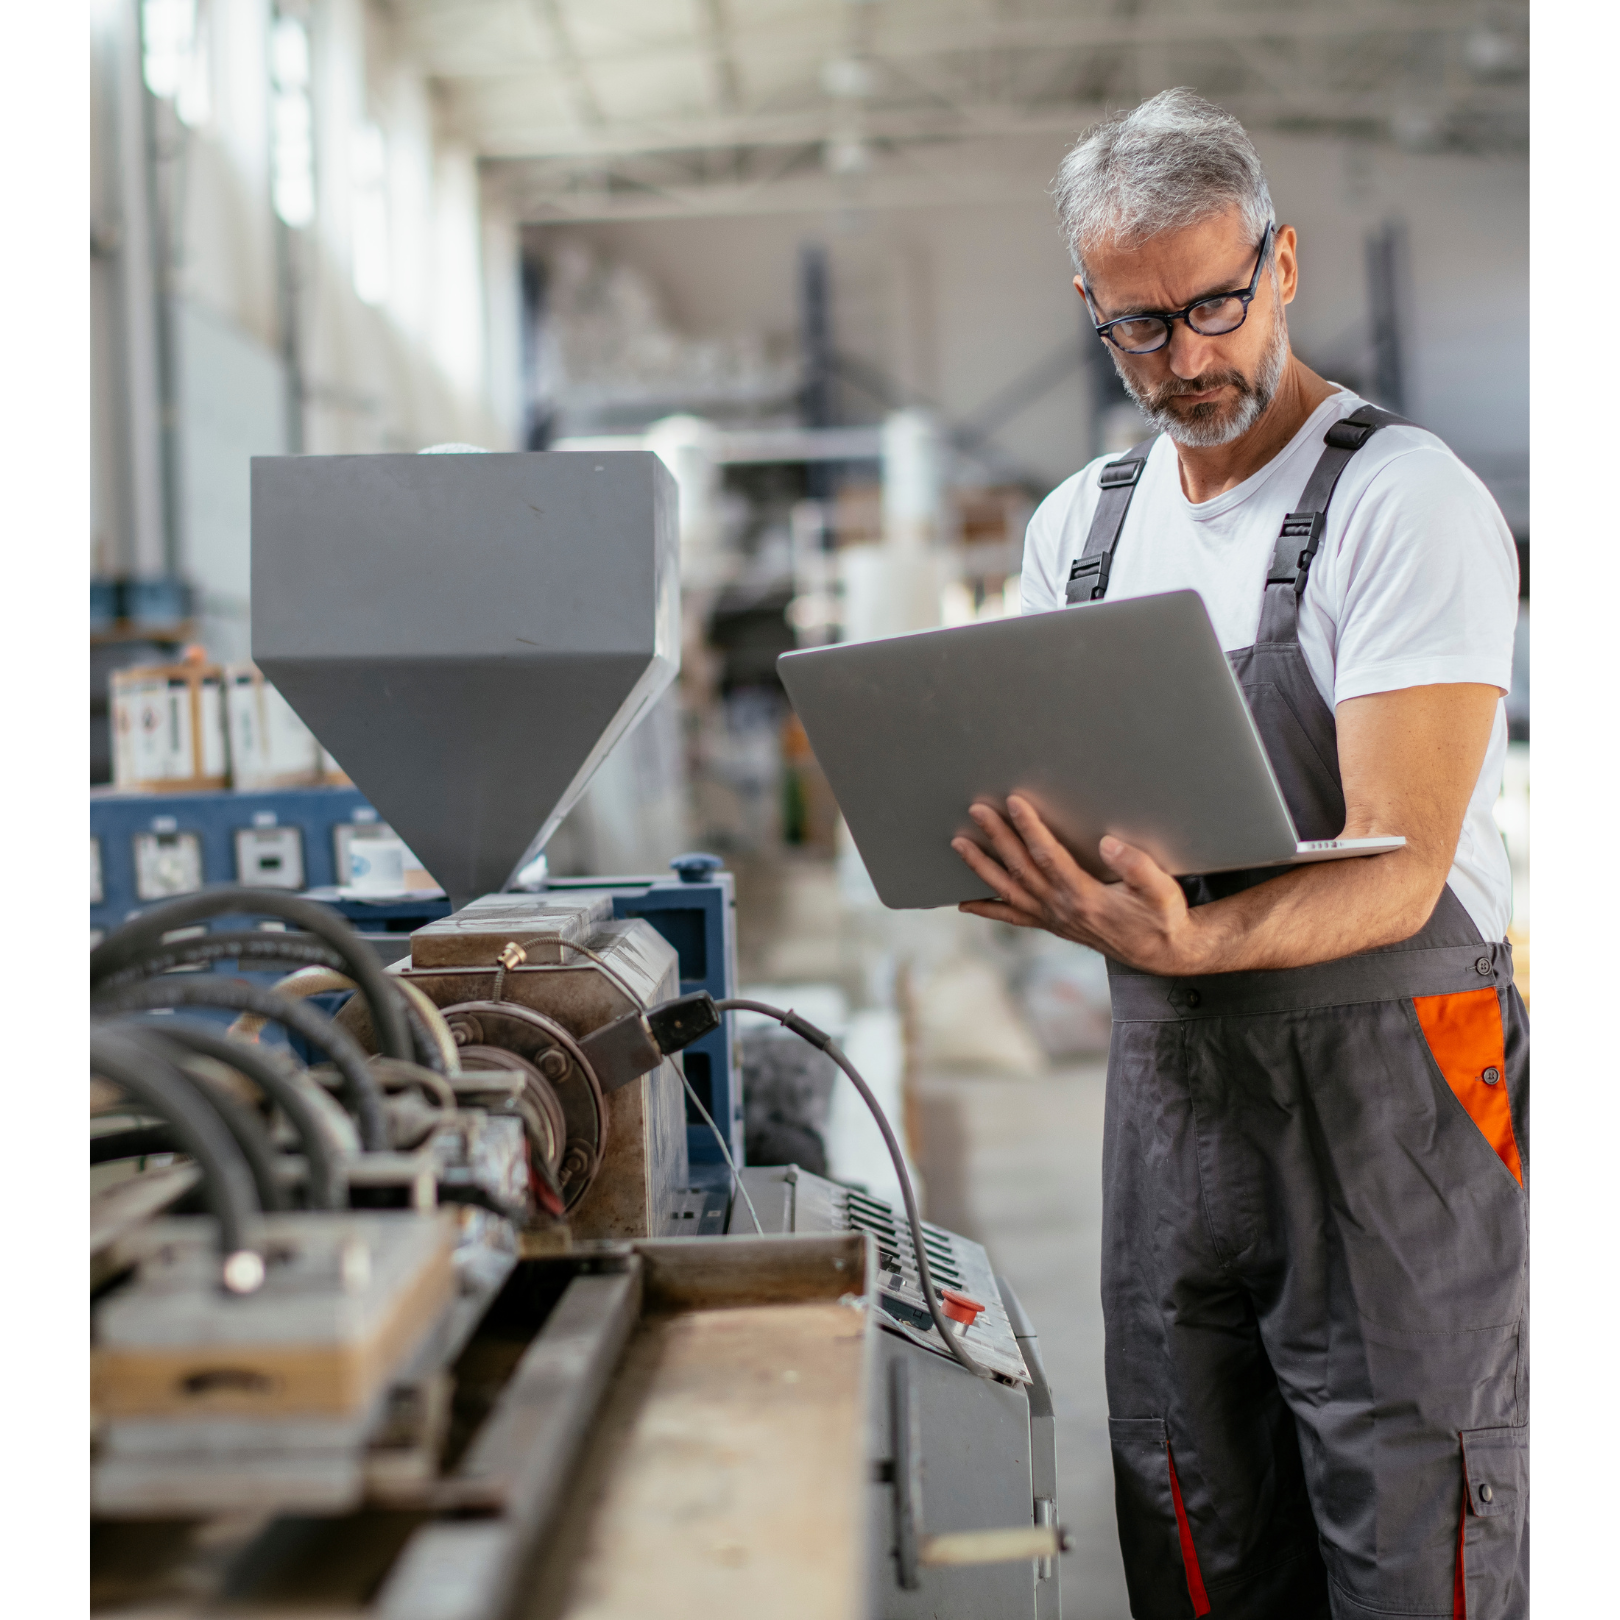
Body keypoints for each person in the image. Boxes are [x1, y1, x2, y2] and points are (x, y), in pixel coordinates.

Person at [951, 90, 1527, 1620]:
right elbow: (1072, 813)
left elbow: (1398, 871)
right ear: (1091, 310)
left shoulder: (1403, 505)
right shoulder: (1081, 528)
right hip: (1170, 1088)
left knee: (1416, 1526)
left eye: (1215, 304)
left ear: (1283, 263)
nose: (1188, 358)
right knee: (1191, 1513)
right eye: (1140, 326)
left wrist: (1192, 939)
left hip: (1389, 1094)